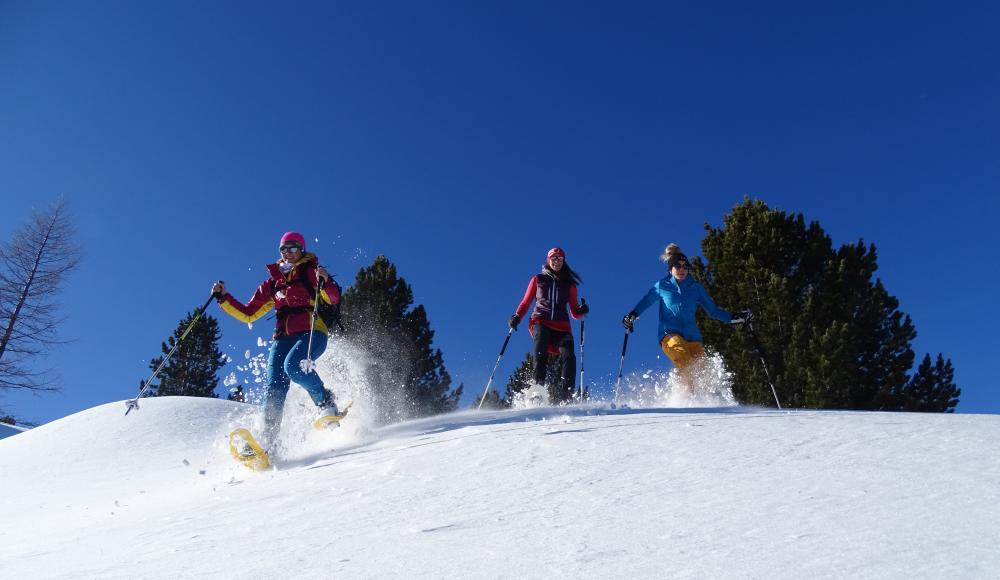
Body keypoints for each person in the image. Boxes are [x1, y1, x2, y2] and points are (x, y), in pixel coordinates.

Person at [212, 231, 342, 451]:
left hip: (312, 331)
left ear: (302, 250)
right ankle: (266, 441)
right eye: (284, 249)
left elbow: (334, 298)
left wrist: (326, 280)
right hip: (282, 338)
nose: (288, 253)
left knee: (295, 368)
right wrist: (223, 298)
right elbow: (249, 313)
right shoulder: (273, 283)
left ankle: (325, 401)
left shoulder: (311, 271)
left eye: (293, 248)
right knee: (274, 387)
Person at [622, 243, 751, 395]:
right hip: (669, 335)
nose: (682, 269)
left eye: (685, 266)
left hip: (693, 338)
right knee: (683, 358)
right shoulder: (662, 286)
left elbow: (713, 310)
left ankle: (708, 403)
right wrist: (632, 315)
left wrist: (734, 318)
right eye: (678, 266)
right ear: (670, 268)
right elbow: (646, 301)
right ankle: (686, 398)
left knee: (704, 370)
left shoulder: (696, 288)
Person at [509, 247, 589, 403]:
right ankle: (537, 389)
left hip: (562, 327)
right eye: (554, 258)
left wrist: (581, 310)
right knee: (540, 347)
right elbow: (526, 302)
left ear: (563, 261)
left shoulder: (570, 285)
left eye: (560, 259)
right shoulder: (538, 279)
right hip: (541, 321)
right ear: (548, 260)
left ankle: (567, 396)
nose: (557, 261)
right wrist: (517, 316)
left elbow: (574, 312)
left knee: (569, 356)